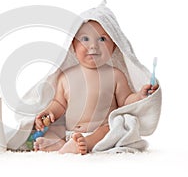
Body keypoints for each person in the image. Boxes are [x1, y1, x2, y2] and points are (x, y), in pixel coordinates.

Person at [33, 20, 159, 155]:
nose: (93, 46)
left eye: (102, 39)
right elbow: (58, 104)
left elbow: (125, 101)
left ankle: (86, 144)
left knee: (113, 127)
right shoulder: (65, 77)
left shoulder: (115, 75)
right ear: (73, 45)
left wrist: (140, 96)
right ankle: (59, 143)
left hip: (100, 132)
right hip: (71, 132)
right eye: (85, 39)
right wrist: (49, 112)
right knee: (54, 129)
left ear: (114, 47)